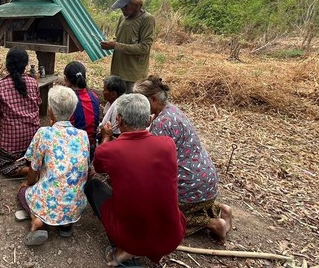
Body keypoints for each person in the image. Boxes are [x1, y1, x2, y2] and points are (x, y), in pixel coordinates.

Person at [86, 93, 186, 266]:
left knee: (93, 186)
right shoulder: (168, 144)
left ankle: (123, 249)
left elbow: (99, 167)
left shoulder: (109, 151)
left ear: (118, 119)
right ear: (149, 120)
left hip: (131, 238)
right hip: (172, 235)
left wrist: (106, 137)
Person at [133, 75, 233, 242]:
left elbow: (151, 163)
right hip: (205, 179)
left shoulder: (161, 124)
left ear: (153, 99)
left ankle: (212, 223)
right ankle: (217, 208)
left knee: (161, 218)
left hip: (189, 185)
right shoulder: (172, 110)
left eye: (141, 101)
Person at [16, 85, 90, 246]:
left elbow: (34, 168)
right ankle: (65, 225)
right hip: (75, 205)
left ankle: (36, 220)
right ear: (72, 111)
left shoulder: (44, 133)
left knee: (22, 192)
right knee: (63, 191)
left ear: (50, 111)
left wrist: (28, 184)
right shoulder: (83, 136)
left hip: (49, 200)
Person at [0, 47, 41, 177]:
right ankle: (31, 164)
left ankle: (28, 170)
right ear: (26, 65)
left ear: (7, 65)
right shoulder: (33, 82)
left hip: (11, 145)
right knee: (28, 155)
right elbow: (38, 103)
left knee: (2, 166)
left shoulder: (0, 86)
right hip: (33, 141)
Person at [100, 0, 155, 92]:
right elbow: (119, 39)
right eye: (121, 6)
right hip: (117, 73)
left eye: (125, 6)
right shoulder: (122, 18)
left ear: (137, 4)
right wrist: (110, 44)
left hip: (133, 77)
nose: (122, 9)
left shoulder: (147, 19)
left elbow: (144, 48)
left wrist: (115, 45)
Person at [63, 61, 100, 159]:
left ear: (66, 79)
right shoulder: (94, 97)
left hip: (72, 148)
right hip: (90, 148)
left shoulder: (66, 99)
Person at [99, 75, 127, 140]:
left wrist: (106, 136)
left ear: (113, 94)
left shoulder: (118, 107)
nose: (102, 92)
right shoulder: (111, 102)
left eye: (104, 90)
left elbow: (116, 134)